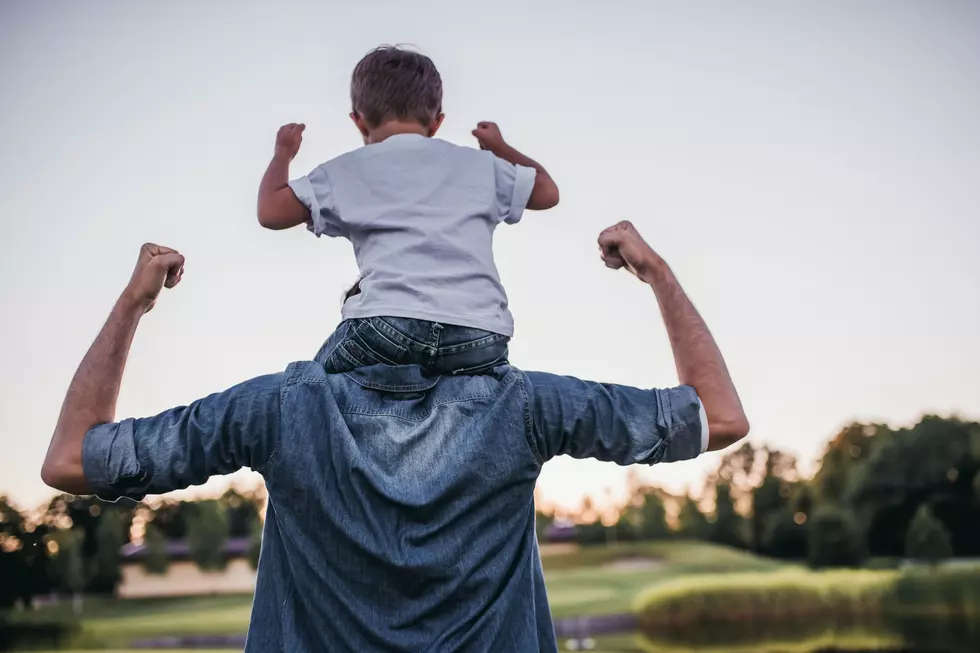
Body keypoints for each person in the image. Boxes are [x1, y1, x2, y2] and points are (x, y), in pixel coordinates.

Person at [41, 221, 749, 652]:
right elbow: (719, 416)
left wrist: (135, 302)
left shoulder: (280, 409)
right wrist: (654, 271)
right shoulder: (525, 406)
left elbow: (73, 457)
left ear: (352, 314)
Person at [256, 45, 560, 376]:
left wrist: (283, 153)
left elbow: (271, 212)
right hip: (481, 335)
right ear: (437, 122)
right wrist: (499, 147)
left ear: (358, 121)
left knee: (311, 386)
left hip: (388, 328)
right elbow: (547, 192)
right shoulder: (480, 165)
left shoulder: (347, 170)